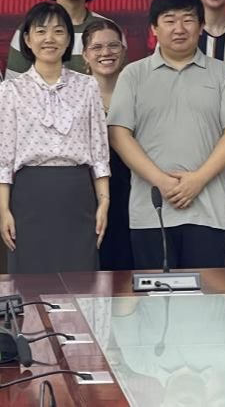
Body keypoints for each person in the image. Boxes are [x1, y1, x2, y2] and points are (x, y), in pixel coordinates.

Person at [109, 0, 225, 270]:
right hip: (152, 211)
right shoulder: (133, 74)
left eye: (188, 19)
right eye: (170, 20)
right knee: (155, 294)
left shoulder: (223, 74)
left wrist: (198, 180)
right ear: (154, 29)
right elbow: (119, 134)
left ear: (201, 26)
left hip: (207, 210)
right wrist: (161, 181)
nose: (179, 28)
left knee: (206, 294)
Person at [0, 2, 110, 273]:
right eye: (41, 31)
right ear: (27, 39)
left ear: (68, 39)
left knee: (81, 277)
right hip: (29, 194)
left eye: (58, 31)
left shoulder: (87, 85)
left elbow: (99, 152)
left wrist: (104, 202)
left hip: (77, 192)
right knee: (30, 278)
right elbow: (3, 158)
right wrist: (4, 210)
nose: (49, 38)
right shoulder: (11, 89)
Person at [82, 18, 134, 271]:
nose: (106, 53)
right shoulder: (75, 96)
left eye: (113, 46)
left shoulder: (137, 91)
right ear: (85, 55)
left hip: (133, 194)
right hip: (86, 197)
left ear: (123, 51)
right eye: (97, 47)